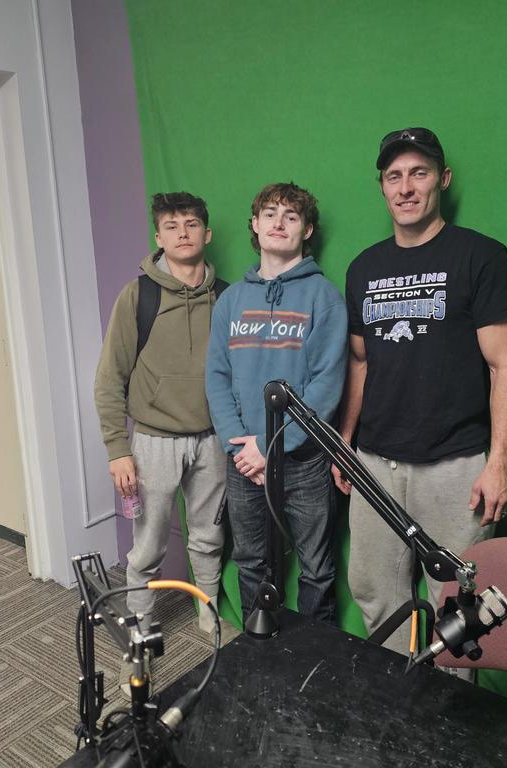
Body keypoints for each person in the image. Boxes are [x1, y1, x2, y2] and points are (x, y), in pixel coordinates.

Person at [336, 128, 507, 654]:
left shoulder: (480, 256)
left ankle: (452, 722)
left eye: (418, 173)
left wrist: (500, 463)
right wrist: (346, 442)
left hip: (455, 465)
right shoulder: (363, 268)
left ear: (442, 179)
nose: (406, 187)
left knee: (459, 612)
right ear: (382, 188)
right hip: (375, 461)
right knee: (375, 592)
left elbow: (505, 366)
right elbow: (359, 362)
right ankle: (397, 703)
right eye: (394, 176)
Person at [205, 182, 347, 625]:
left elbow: (327, 383)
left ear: (307, 230)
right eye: (269, 213)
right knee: (251, 562)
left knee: (317, 568)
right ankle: (258, 652)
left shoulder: (323, 296)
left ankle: (316, 661)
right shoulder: (231, 300)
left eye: (290, 216)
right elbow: (216, 376)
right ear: (255, 225)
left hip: (305, 460)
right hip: (244, 458)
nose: (278, 222)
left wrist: (270, 444)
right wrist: (240, 447)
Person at [94, 192, 228, 642]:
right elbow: (109, 377)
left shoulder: (227, 298)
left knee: (209, 538)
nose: (183, 233)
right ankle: (140, 627)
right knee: (148, 546)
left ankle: (208, 614)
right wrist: (118, 450)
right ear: (159, 237)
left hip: (213, 438)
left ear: (206, 234)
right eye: (172, 226)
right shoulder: (139, 296)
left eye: (191, 224)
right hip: (153, 440)